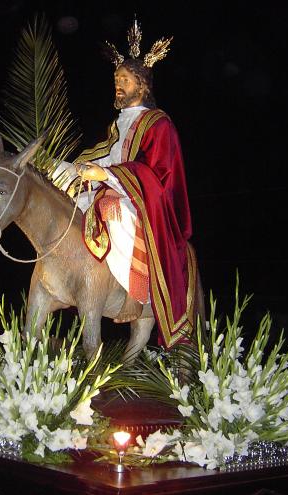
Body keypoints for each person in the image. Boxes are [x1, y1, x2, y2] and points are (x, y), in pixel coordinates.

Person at [53, 19, 196, 347]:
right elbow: (108, 158)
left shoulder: (158, 124)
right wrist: (74, 169)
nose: (118, 85)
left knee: (112, 209)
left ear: (142, 86)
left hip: (146, 199)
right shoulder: (117, 126)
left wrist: (107, 176)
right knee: (74, 204)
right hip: (119, 185)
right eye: (116, 79)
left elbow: (159, 172)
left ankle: (138, 293)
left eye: (125, 80)